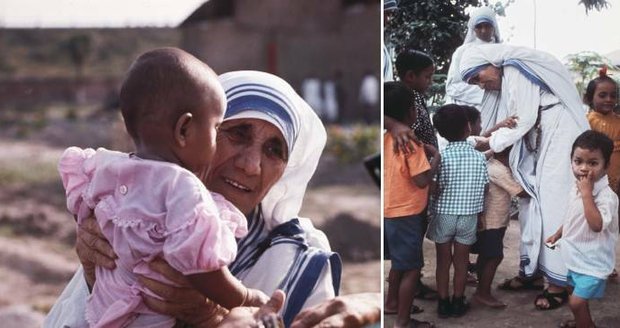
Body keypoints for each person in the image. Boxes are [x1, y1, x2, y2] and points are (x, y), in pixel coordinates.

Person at [44, 70, 342, 328]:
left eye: (274, 151)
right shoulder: (140, 210)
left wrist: (211, 316)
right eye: (237, 133)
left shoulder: (300, 263)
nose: (251, 165)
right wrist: (93, 270)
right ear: (191, 132)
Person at [57, 48, 268, 327]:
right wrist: (245, 297)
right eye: (223, 130)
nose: (252, 165)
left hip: (105, 315)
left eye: (274, 150)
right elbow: (201, 267)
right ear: (184, 130)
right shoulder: (184, 191)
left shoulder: (108, 166)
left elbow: (80, 201)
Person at [459, 44, 589, 310]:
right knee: (533, 202)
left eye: (477, 77)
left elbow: (525, 117)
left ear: (489, 63)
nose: (480, 85)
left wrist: (491, 142)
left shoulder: (515, 67)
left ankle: (558, 284)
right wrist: (495, 140)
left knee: (553, 204)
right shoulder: (511, 72)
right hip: (546, 133)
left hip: (561, 135)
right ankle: (533, 271)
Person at [545, 131, 618, 328]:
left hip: (593, 262)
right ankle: (582, 322)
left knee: (577, 301)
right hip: (575, 256)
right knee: (572, 292)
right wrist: (558, 233)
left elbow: (596, 225)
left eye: (593, 163)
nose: (583, 168)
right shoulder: (576, 187)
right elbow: (573, 217)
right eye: (578, 161)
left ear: (606, 166)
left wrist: (587, 194)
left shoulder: (605, 196)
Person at [384, 81, 439, 328]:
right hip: (408, 213)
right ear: (410, 112)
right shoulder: (411, 143)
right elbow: (421, 180)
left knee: (399, 263)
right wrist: (435, 160)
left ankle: (391, 303)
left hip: (390, 210)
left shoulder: (386, 137)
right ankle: (403, 322)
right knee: (412, 269)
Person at [426, 104, 488, 318]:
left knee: (443, 262)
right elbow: (484, 188)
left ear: (440, 132)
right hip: (469, 215)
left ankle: (443, 302)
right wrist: (480, 214)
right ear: (468, 127)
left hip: (444, 215)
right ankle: (458, 300)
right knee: (461, 263)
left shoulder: (441, 157)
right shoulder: (479, 158)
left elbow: (433, 187)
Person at [471, 146, 526, 309]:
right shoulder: (498, 170)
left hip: (490, 221)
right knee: (494, 257)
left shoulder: (491, 165)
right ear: (508, 154)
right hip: (493, 222)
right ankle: (483, 293)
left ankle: (481, 290)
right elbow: (519, 191)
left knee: (485, 256)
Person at [445, 6, 501, 108]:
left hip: (499, 108)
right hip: (468, 110)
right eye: (479, 26)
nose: (483, 30)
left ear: (494, 27)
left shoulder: (503, 51)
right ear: (473, 28)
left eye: (487, 26)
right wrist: (486, 92)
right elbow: (452, 87)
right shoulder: (462, 52)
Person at [584, 68, 620, 224]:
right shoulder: (587, 121)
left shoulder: (618, 120)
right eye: (602, 95)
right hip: (598, 175)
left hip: (617, 175)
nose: (609, 99)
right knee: (600, 207)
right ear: (590, 98)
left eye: (613, 95)